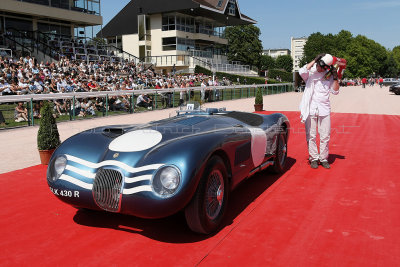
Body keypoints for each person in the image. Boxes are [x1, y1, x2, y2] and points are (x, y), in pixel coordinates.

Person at [299, 53, 340, 169]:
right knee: (311, 135)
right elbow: (301, 71)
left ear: (327, 67)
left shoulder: (329, 76)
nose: (319, 68)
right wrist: (314, 59)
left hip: (324, 109)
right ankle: (314, 158)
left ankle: (323, 158)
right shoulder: (311, 73)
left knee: (325, 135)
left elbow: (335, 91)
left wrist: (336, 77)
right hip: (311, 108)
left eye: (322, 67)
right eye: (319, 65)